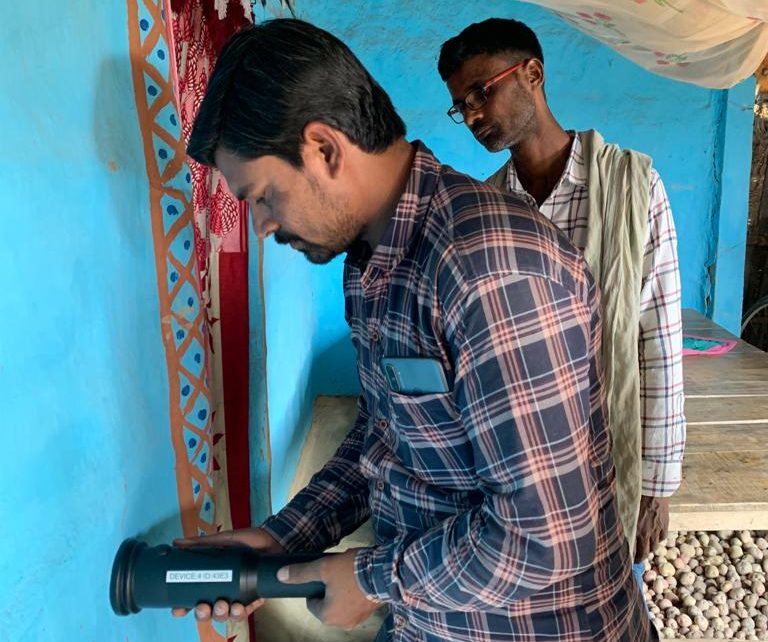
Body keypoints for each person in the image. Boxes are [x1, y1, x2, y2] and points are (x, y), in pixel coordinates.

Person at [175, 18, 656, 641]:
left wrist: (373, 579)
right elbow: (387, 435)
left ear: (324, 149)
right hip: (432, 621)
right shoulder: (370, 262)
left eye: (264, 195)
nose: (262, 225)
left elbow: (544, 535)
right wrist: (282, 538)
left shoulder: (489, 267)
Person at [438, 18, 687, 591]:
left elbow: (656, 340)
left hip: (608, 462)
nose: (472, 115)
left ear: (532, 73)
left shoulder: (632, 185)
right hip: (518, 482)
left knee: (611, 608)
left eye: (481, 92)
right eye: (460, 105)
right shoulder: (487, 208)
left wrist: (655, 488)